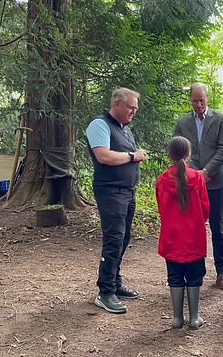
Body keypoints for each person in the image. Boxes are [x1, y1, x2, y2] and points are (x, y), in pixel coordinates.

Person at [86, 87, 148, 314]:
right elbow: (103, 155)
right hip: (110, 191)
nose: (134, 112)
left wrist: (133, 158)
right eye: (131, 107)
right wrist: (133, 156)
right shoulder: (99, 125)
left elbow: (123, 157)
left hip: (127, 191)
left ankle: (115, 282)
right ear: (117, 105)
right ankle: (105, 292)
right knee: (114, 238)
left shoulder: (125, 129)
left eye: (136, 108)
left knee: (123, 238)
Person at [175, 83, 223, 290]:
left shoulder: (220, 119)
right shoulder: (183, 122)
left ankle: (222, 272)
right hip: (190, 182)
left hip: (214, 181)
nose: (198, 104)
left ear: (208, 98)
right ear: (190, 99)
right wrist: (192, 173)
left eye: (202, 100)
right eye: (195, 100)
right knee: (191, 226)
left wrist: (206, 172)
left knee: (217, 227)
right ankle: (192, 273)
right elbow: (178, 149)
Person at [156, 136, 210, 330]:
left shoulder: (162, 180)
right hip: (194, 237)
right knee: (195, 277)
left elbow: (162, 209)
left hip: (172, 238)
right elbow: (205, 209)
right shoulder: (197, 178)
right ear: (188, 154)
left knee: (175, 277)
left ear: (169, 155)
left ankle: (177, 318)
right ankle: (194, 317)